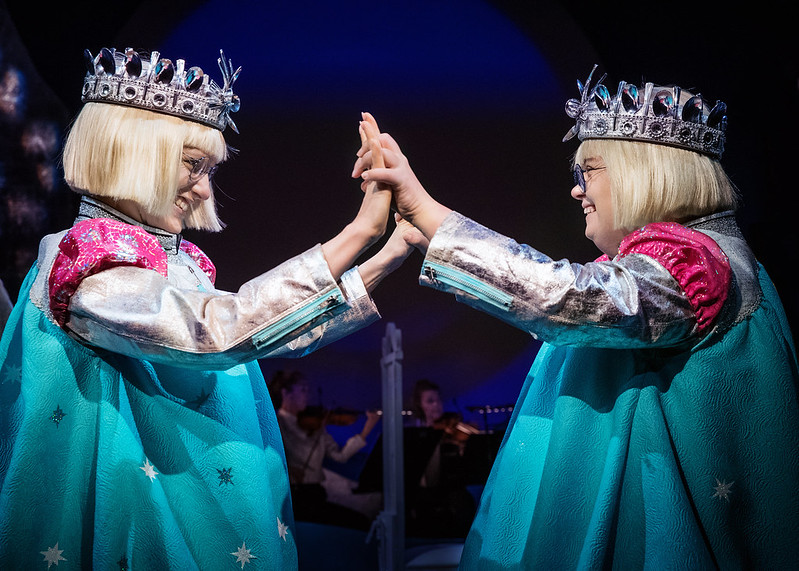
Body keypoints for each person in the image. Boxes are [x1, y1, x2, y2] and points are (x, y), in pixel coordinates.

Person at [353, 68, 799, 568]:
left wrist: (429, 213)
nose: (577, 190)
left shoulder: (696, 263)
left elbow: (572, 300)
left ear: (641, 173)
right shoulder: (682, 258)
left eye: (588, 172)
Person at [0, 47, 414, 569]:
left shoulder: (171, 263)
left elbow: (267, 334)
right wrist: (360, 233)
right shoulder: (89, 260)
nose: (202, 189)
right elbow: (217, 332)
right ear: (133, 152)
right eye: (193, 166)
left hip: (201, 496)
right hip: (146, 513)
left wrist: (389, 253)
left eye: (209, 170)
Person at [268, 369, 379, 529]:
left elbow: (340, 456)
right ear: (286, 393)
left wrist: (367, 428)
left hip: (316, 492)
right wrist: (290, 469)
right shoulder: (276, 423)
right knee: (354, 522)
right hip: (294, 496)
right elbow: (270, 458)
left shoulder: (316, 426)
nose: (308, 396)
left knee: (360, 521)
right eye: (303, 390)